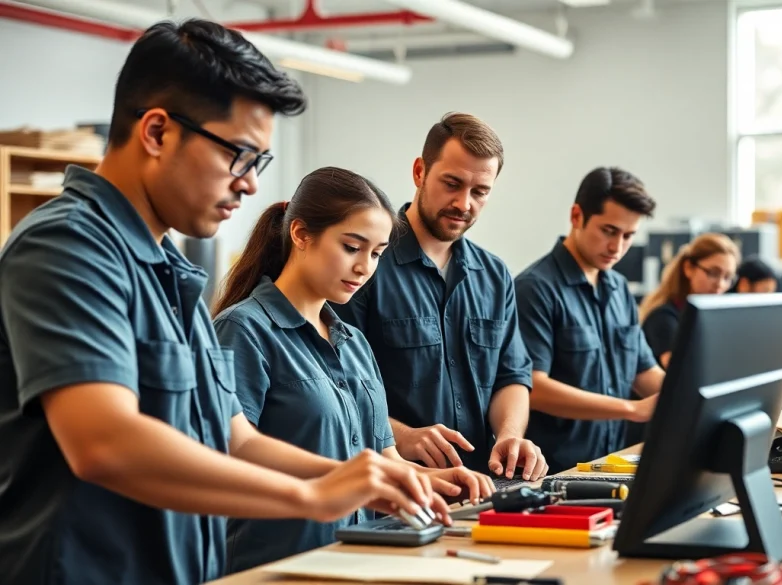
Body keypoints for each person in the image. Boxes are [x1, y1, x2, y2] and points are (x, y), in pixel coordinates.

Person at [0, 20, 446, 585]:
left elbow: (236, 439)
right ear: (157, 132)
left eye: (259, 163)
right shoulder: (68, 246)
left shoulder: (171, 274)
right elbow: (104, 443)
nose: (251, 184)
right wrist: (310, 496)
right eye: (239, 155)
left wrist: (362, 479)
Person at [212, 168, 492, 573]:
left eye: (376, 254)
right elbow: (229, 454)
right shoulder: (243, 330)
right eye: (352, 247)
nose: (364, 267)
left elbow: (383, 458)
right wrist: (343, 477)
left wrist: (440, 479)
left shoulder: (355, 343)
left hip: (354, 563)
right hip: (272, 567)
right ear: (301, 234)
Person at [335, 113, 546, 480]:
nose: (464, 204)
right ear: (420, 172)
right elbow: (337, 384)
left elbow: (511, 375)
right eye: (452, 184)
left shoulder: (495, 276)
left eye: (480, 192)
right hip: (393, 488)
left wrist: (510, 435)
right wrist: (403, 437)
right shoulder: (364, 267)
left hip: (481, 483)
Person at [514, 167, 665, 473]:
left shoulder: (619, 288)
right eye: (609, 231)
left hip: (611, 465)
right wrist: (631, 409)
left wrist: (692, 393)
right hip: (554, 473)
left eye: (628, 236)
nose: (617, 247)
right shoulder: (535, 289)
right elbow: (532, 388)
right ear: (576, 216)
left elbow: (644, 372)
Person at [638, 233, 740, 369]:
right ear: (688, 268)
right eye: (713, 273)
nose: (720, 284)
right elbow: (683, 369)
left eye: (727, 277)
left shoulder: (708, 318)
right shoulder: (663, 317)